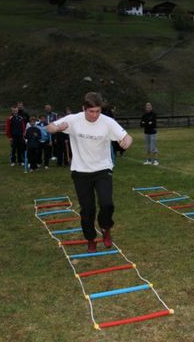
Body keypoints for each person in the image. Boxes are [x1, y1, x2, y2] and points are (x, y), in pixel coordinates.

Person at [47, 92, 133, 253]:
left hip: (102, 169)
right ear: (83, 109)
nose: (94, 115)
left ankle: (105, 228)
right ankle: (91, 238)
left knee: (107, 204)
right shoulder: (73, 119)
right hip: (81, 171)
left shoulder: (108, 122)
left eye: (97, 112)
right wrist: (58, 127)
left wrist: (127, 140)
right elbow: (49, 127)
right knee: (87, 210)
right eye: (91, 112)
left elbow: (126, 136)